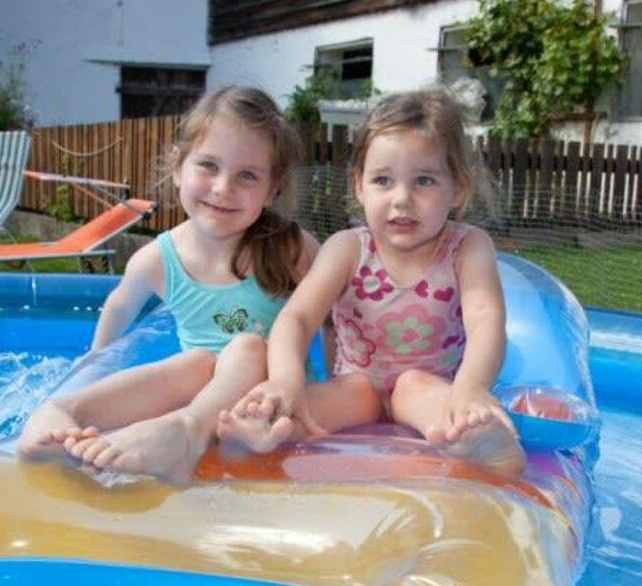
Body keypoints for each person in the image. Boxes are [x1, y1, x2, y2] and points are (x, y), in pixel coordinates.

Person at [16, 86, 367, 482]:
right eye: (208, 166)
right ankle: (71, 408)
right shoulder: (158, 259)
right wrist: (93, 363)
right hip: (202, 394)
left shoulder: (293, 248)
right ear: (178, 166)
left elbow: (333, 315)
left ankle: (185, 432)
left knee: (248, 347)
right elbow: (118, 306)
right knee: (196, 362)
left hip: (261, 407)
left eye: (247, 176)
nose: (222, 188)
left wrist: (336, 379)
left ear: (273, 188)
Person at [218, 87, 526, 477]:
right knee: (340, 395)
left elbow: (485, 318)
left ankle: (476, 443)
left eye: (425, 181)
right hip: (355, 394)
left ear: (458, 189)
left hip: (428, 395)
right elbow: (296, 317)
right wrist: (284, 380)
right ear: (359, 186)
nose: (402, 199)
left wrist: (470, 388)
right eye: (383, 180)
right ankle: (265, 434)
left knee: (416, 388)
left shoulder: (466, 247)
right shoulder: (347, 249)